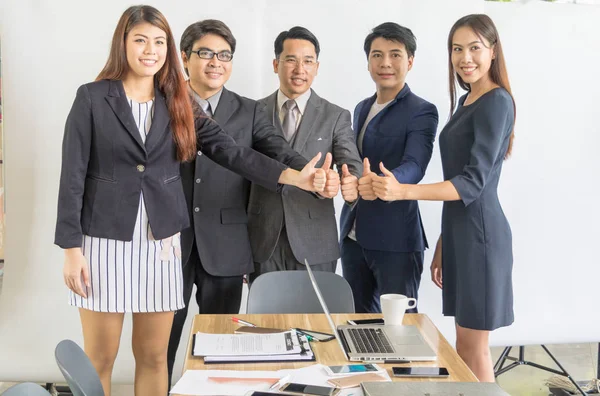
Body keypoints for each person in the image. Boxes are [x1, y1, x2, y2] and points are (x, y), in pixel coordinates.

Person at [55, 6, 329, 396]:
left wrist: (295, 176)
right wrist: (71, 248)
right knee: (101, 357)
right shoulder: (93, 98)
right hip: (103, 243)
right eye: (140, 40)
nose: (150, 50)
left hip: (162, 245)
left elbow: (232, 152)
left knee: (152, 357)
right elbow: (72, 176)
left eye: (159, 41)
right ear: (123, 43)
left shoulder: (178, 100)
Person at [166, 19, 331, 388]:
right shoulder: (164, 105)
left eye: (225, 55)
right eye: (205, 53)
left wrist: (313, 174)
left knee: (221, 347)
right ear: (184, 57)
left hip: (225, 244)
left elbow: (278, 150)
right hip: (169, 243)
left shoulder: (249, 111)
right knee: (160, 346)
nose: (215, 63)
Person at [364, 14, 516, 382]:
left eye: (475, 48)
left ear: (493, 51)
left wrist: (403, 191)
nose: (465, 58)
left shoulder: (496, 101)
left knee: (474, 350)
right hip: (463, 234)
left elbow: (471, 183)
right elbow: (459, 182)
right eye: (457, 49)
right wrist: (445, 243)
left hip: (482, 237)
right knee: (462, 348)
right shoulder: (468, 101)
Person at [248, 26, 363, 280]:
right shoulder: (252, 111)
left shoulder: (335, 115)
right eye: (291, 60)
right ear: (276, 64)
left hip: (315, 240)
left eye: (308, 61)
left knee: (316, 320)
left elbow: (351, 166)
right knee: (264, 319)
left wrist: (347, 182)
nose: (300, 70)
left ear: (317, 67)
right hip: (262, 238)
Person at [339, 22, 438, 313]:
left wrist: (391, 183)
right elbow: (354, 163)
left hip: (396, 239)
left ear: (410, 61)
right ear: (368, 61)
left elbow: (416, 164)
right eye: (376, 54)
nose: (385, 63)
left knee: (401, 332)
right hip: (353, 236)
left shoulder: (422, 110)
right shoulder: (361, 107)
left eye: (395, 54)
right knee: (357, 327)